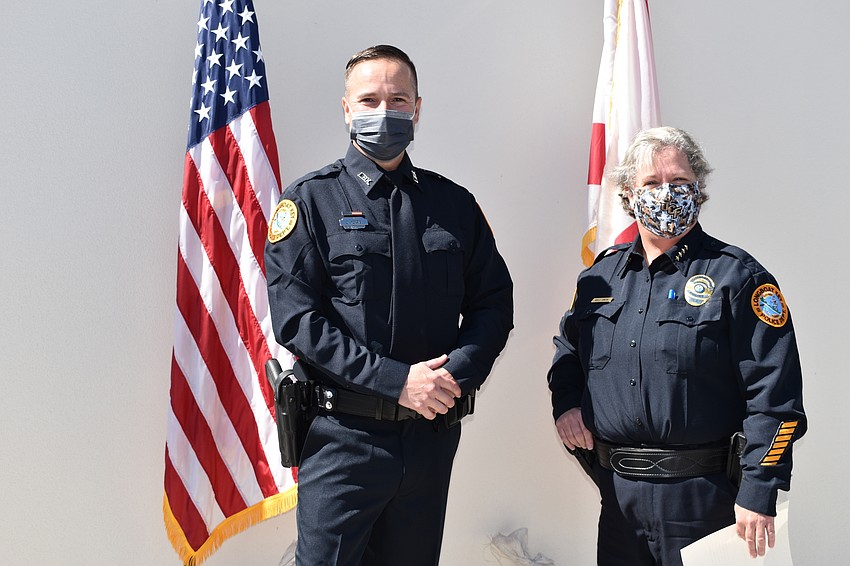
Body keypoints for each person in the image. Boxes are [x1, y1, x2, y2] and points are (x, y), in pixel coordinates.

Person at [265, 45, 513, 565]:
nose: (385, 111)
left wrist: (455, 378)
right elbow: (298, 321)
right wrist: (397, 382)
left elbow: (494, 302)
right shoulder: (310, 202)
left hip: (429, 441)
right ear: (347, 108)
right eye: (370, 99)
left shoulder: (454, 204)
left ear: (417, 109)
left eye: (398, 99)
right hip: (343, 441)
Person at [547, 126, 806, 565]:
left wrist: (759, 489)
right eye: (650, 183)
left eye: (679, 182)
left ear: (699, 188)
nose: (665, 193)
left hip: (707, 503)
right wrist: (566, 403)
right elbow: (568, 351)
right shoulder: (599, 279)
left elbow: (776, 398)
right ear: (629, 195)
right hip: (618, 502)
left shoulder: (737, 277)